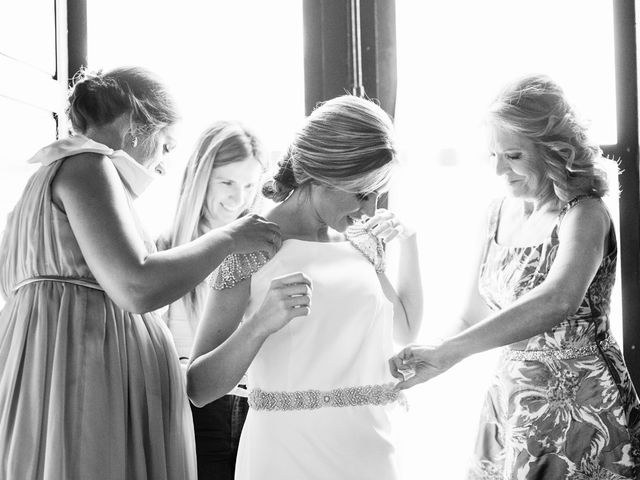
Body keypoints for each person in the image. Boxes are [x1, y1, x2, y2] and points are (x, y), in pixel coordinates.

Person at [0, 67, 281, 480]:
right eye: (165, 146)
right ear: (135, 125)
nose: (163, 165)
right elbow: (137, 286)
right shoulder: (88, 165)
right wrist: (230, 238)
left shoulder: (47, 183)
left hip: (67, 374)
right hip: (86, 380)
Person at [389, 74, 640, 479]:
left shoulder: (584, 213)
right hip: (511, 401)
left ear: (554, 151)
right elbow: (472, 315)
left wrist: (454, 351)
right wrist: (433, 352)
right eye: (493, 156)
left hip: (580, 406)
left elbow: (558, 301)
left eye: (514, 156)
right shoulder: (496, 214)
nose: (500, 170)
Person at [187, 95, 423, 479]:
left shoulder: (361, 241)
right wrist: (259, 324)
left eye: (377, 194)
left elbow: (407, 329)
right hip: (285, 456)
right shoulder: (248, 244)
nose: (369, 208)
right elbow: (200, 388)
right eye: (361, 193)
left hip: (371, 454)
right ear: (318, 173)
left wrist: (409, 239)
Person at [158, 121, 266, 479]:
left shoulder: (263, 249)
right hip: (189, 410)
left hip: (259, 408)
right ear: (201, 177)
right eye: (227, 182)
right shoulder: (163, 250)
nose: (239, 198)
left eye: (250, 185)